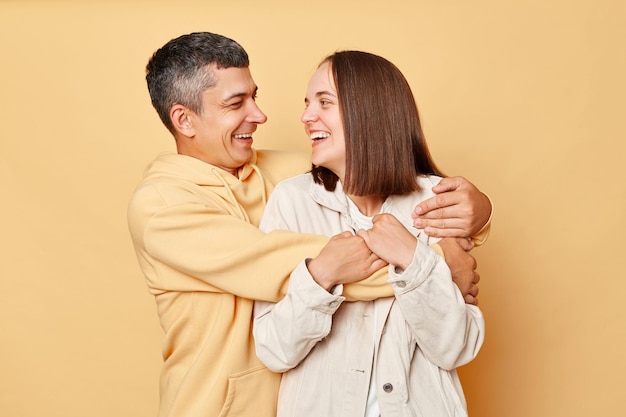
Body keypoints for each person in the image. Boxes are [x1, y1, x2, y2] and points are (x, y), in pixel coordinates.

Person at [127, 32, 491, 417]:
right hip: (217, 407)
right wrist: (433, 261)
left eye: (254, 96)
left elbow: (366, 162)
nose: (260, 115)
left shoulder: (283, 174)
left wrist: (480, 212)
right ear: (184, 119)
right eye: (237, 103)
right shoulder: (162, 207)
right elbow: (290, 264)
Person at [253, 50, 486, 417]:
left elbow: (455, 347)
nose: (305, 116)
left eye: (324, 102)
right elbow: (273, 349)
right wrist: (321, 276)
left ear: (369, 112)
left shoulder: (437, 202)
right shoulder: (291, 200)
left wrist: (413, 260)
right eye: (307, 103)